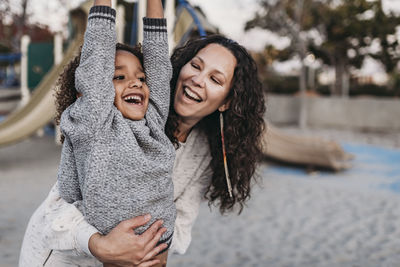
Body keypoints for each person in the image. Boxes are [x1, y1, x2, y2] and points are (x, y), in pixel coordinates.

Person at [19, 13, 266, 267]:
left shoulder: (205, 150)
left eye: (215, 79)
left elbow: (179, 225)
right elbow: (55, 213)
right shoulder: (120, 115)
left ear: (226, 101)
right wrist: (99, 245)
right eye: (196, 66)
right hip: (62, 257)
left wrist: (151, 252)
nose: (198, 80)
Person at [20, 0, 175, 266]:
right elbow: (97, 62)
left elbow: (159, 63)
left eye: (141, 78)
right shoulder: (95, 124)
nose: (136, 82)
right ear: (88, 94)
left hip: (155, 252)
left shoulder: (154, 122)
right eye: (119, 77)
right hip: (110, 251)